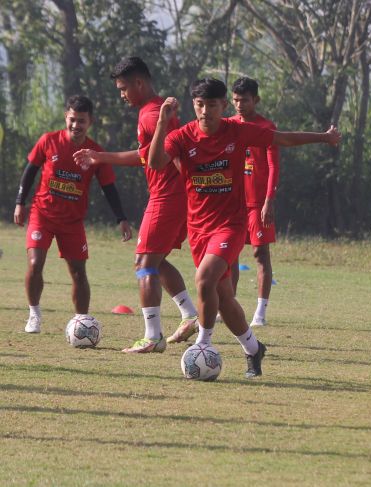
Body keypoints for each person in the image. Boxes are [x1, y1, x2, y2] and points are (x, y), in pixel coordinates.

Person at [147, 78, 340, 378]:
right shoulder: (183, 136)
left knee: (204, 278)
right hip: (198, 228)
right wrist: (162, 122)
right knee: (223, 298)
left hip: (230, 225)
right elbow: (156, 162)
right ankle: (253, 348)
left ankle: (203, 345)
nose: (206, 111)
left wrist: (323, 138)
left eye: (212, 105)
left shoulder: (237, 131)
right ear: (193, 106)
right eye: (200, 104)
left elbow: (282, 138)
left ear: (223, 106)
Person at [73, 57, 199, 353]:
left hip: (167, 197)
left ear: (139, 83)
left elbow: (156, 157)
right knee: (156, 261)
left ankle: (152, 336)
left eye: (123, 88)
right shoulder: (154, 112)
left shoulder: (150, 115)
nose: (121, 95)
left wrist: (100, 157)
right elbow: (151, 155)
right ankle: (189, 314)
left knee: (143, 264)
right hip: (176, 196)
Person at [14, 95, 132, 333]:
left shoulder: (96, 152)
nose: (76, 125)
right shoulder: (49, 141)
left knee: (78, 272)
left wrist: (121, 218)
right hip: (42, 215)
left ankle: (82, 323)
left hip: (73, 222)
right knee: (35, 263)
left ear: (90, 122)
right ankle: (34, 314)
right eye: (72, 119)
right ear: (65, 117)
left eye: (81, 121)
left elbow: (108, 187)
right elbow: (30, 171)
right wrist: (20, 202)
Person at [227, 76, 279, 327]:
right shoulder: (228, 125)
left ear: (255, 100)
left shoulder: (266, 127)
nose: (239, 105)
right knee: (230, 254)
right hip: (233, 201)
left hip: (258, 203)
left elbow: (273, 166)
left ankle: (261, 312)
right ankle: (229, 304)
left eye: (244, 100)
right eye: (235, 100)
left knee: (260, 254)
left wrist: (269, 200)